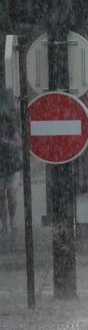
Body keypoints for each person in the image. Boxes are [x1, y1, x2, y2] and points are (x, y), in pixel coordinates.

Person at [0, 90, 21, 238]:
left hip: (12, 166)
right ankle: (4, 224)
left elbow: (20, 144)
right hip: (0, 167)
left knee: (11, 196)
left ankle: (12, 221)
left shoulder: (11, 130)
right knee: (1, 196)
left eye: (3, 121)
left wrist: (7, 143)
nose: (2, 124)